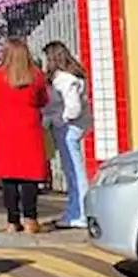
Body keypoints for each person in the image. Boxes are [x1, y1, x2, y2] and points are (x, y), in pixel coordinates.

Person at [0, 38, 50, 234]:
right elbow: (43, 100)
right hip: (29, 127)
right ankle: (30, 218)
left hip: (5, 128)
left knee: (9, 177)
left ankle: (12, 221)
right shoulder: (36, 76)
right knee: (29, 176)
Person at [42, 41, 92, 229]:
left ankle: (79, 213)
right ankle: (74, 210)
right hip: (71, 127)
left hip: (68, 128)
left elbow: (73, 108)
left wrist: (59, 120)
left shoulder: (64, 79)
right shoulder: (72, 76)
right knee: (72, 171)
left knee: (74, 171)